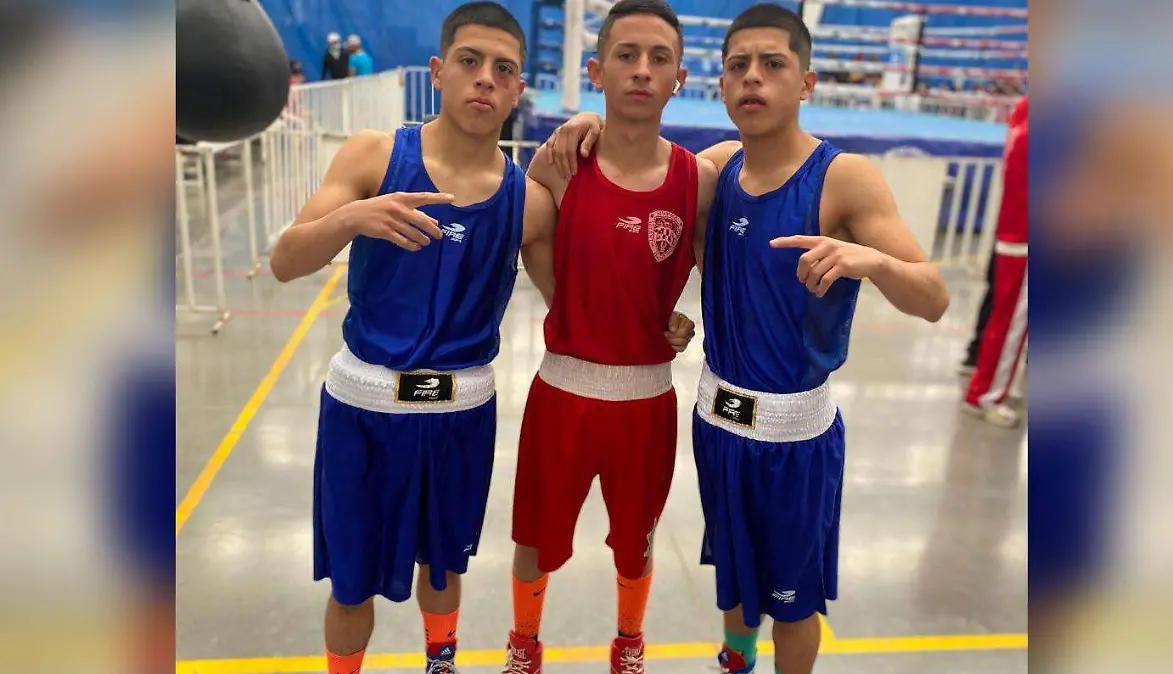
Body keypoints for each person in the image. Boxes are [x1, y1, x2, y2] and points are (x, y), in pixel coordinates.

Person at [544, 5, 949, 673]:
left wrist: (872, 262)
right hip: (718, 425)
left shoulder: (843, 178)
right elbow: (636, 159)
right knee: (734, 575)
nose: (753, 78)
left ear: (806, 82)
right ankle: (736, 660)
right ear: (721, 84)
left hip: (795, 440)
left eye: (773, 64)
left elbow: (933, 297)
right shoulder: (717, 170)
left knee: (793, 603)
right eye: (739, 66)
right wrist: (587, 122)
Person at [269, 5, 559, 674]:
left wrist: (662, 320)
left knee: (444, 564)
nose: (485, 79)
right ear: (438, 71)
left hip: (459, 415)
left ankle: (441, 662)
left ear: (518, 89)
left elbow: (572, 310)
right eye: (469, 61)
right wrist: (352, 218)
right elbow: (285, 260)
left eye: (504, 69)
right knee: (351, 582)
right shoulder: (375, 155)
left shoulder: (530, 202)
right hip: (363, 412)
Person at [498, 2, 716, 673]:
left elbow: (717, 269)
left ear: (679, 77)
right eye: (626, 55)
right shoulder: (560, 164)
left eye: (659, 58)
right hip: (562, 391)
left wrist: (683, 316)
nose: (642, 70)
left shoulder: (699, 180)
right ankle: (524, 645)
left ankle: (628, 642)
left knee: (637, 541)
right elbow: (529, 238)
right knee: (534, 539)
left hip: (647, 400)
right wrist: (565, 300)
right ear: (596, 70)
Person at [961, 95, 1028, 427]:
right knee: (1011, 324)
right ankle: (986, 394)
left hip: (1016, 234)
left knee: (1009, 322)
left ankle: (998, 385)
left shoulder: (1024, 115)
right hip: (1024, 238)